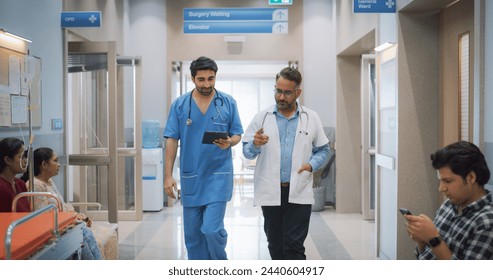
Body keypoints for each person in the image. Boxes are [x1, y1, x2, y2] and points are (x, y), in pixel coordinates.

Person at [242, 67, 330, 260]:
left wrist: (311, 165)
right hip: (271, 191)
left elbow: (324, 149)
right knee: (275, 245)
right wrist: (255, 144)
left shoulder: (311, 117)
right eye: (278, 91)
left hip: (298, 190)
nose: (281, 97)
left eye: (287, 92)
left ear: (298, 92)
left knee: (294, 246)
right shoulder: (262, 117)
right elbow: (246, 152)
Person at [163, 56, 243, 260]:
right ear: (192, 78)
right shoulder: (180, 105)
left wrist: (230, 142)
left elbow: (236, 134)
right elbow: (171, 140)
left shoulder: (227, 102)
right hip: (192, 176)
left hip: (218, 175)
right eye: (201, 79)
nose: (207, 84)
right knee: (193, 236)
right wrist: (168, 176)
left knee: (211, 230)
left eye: (211, 78)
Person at [405, 141, 493, 260]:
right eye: (440, 180)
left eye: (448, 181)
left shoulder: (486, 222)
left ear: (471, 177)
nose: (441, 188)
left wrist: (433, 239)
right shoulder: (449, 204)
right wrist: (422, 240)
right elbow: (425, 256)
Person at [22, 147, 103, 260]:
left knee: (85, 231)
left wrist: (78, 216)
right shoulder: (35, 185)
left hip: (63, 223)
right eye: (55, 161)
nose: (59, 164)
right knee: (84, 233)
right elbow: (43, 217)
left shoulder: (48, 181)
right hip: (53, 229)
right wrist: (74, 219)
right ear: (44, 164)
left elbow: (63, 205)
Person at [0, 137, 30, 212]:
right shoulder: (1, 187)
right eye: (21, 157)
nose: (25, 160)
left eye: (25, 156)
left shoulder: (20, 184)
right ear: (8, 160)